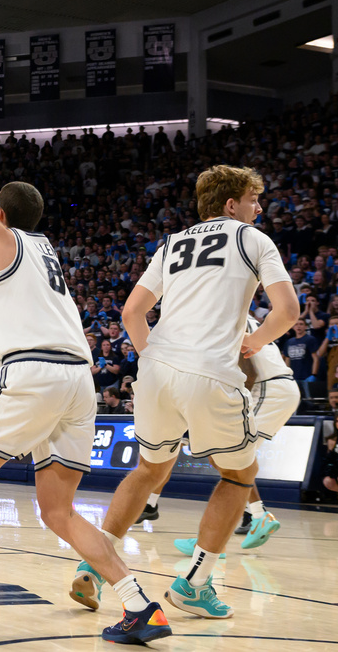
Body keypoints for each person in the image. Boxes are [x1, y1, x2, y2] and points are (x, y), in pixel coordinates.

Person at [0, 103, 170, 644]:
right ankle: (140, 605)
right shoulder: (41, 247)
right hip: (79, 381)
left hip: (32, 373)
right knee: (58, 510)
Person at [68, 163, 297, 621]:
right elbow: (288, 310)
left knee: (150, 470)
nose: (259, 207)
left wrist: (153, 357)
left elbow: (133, 312)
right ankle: (194, 584)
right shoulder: (253, 239)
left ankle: (95, 565)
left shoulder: (172, 243)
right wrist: (254, 342)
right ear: (231, 204)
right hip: (209, 371)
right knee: (238, 475)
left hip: (154, 372)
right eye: (253, 200)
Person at [229, 313, 301, 549]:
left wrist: (237, 401)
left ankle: (253, 518)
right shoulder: (241, 314)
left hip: (268, 388)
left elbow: (249, 373)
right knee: (236, 457)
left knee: (230, 455)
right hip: (278, 386)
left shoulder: (227, 318)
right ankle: (252, 514)